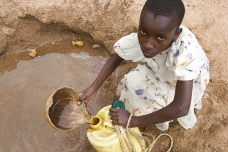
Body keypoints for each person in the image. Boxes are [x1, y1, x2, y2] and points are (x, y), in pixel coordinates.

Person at [78, 0, 209, 131]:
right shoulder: (154, 31)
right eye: (143, 31)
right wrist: (94, 87)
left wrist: (133, 120)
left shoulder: (185, 52)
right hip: (163, 71)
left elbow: (181, 107)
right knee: (132, 83)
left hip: (183, 82)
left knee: (149, 104)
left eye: (160, 38)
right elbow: (119, 56)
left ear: (176, 34)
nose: (147, 44)